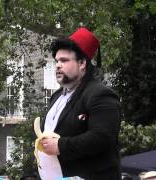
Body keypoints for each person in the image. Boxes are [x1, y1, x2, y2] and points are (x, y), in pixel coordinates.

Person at [37, 27, 121, 179]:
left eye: (64, 60)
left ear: (82, 63)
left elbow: (102, 137)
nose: (57, 65)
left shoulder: (101, 94)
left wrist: (60, 146)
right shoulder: (55, 97)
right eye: (56, 60)